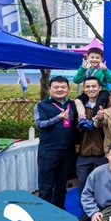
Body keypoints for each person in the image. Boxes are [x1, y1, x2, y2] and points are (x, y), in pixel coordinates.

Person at [34, 76, 78, 209]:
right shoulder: (42, 105)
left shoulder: (72, 104)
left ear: (68, 89)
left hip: (68, 150)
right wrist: (57, 118)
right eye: (56, 87)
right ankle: (44, 212)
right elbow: (40, 124)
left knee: (62, 184)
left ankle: (59, 210)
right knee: (46, 185)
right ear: (50, 89)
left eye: (63, 87)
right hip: (48, 150)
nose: (60, 89)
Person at [75, 77, 107, 221]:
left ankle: (104, 211)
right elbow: (73, 129)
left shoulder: (107, 105)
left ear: (100, 88)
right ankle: (86, 211)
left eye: (94, 86)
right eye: (88, 87)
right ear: (84, 88)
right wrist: (79, 124)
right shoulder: (79, 106)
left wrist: (101, 119)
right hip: (84, 152)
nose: (91, 89)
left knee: (104, 183)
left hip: (103, 152)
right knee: (82, 183)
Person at [73, 47, 111, 129]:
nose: (94, 60)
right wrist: (82, 69)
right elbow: (76, 80)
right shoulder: (85, 70)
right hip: (89, 92)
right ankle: (83, 118)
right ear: (87, 57)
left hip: (103, 91)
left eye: (97, 58)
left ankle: (93, 120)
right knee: (77, 100)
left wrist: (105, 71)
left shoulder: (103, 70)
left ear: (101, 59)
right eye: (92, 57)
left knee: (99, 102)